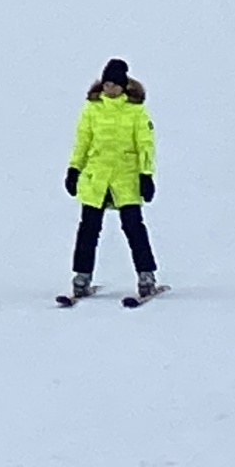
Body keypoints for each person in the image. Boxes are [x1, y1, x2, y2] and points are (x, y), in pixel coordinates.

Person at [64, 58, 161, 302]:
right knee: (88, 228)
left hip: (125, 178)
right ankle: (82, 276)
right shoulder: (92, 109)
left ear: (123, 86)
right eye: (106, 84)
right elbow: (82, 141)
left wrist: (146, 175)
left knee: (133, 227)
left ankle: (146, 275)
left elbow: (145, 146)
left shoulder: (135, 111)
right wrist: (74, 169)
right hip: (96, 177)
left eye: (115, 85)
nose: (110, 89)